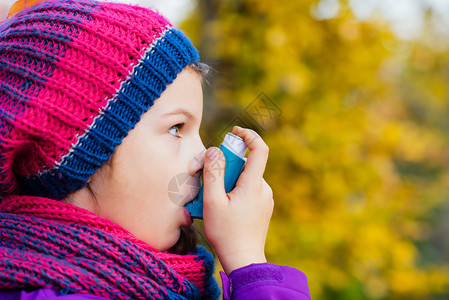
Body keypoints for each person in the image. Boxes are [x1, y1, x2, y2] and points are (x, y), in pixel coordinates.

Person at [0, 0, 311, 299]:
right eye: (176, 128)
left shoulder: (156, 281)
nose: (204, 158)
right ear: (76, 160)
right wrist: (248, 261)